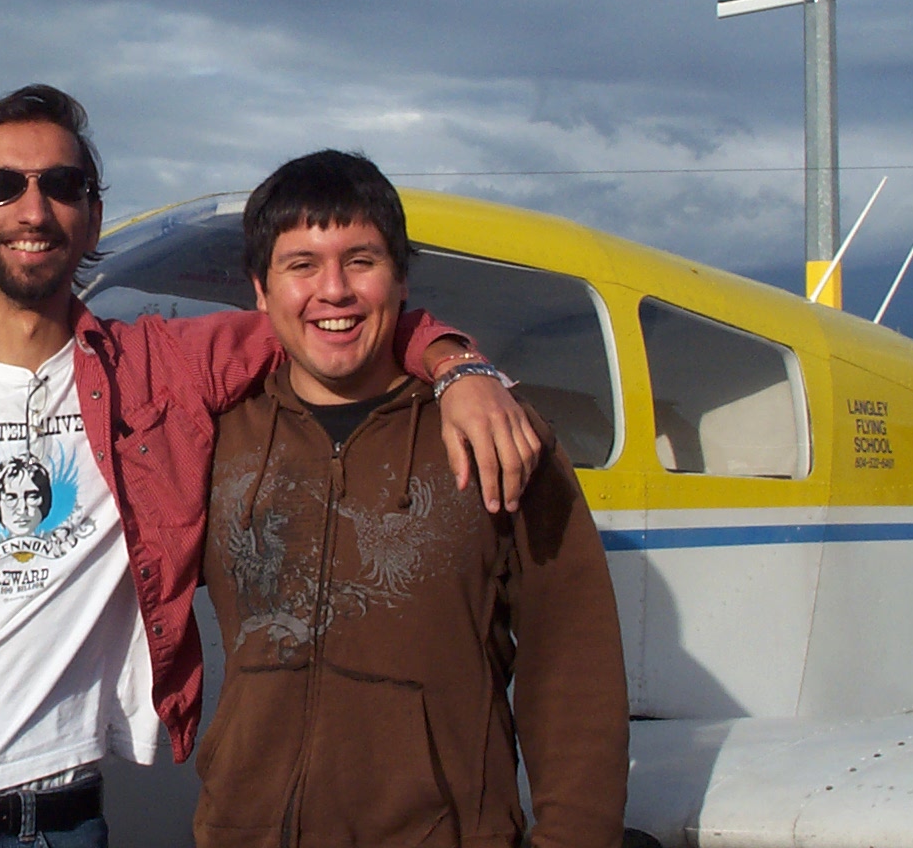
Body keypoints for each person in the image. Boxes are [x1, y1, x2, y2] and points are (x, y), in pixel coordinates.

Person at [0, 85, 540, 848]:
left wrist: (455, 364)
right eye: (1, 186)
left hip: (65, 820)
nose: (34, 207)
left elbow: (327, 311)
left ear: (93, 219)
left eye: (63, 186)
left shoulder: (158, 370)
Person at [193, 150, 628, 848]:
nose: (332, 290)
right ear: (260, 289)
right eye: (301, 265)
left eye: (359, 260)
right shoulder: (215, 440)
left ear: (400, 279)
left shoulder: (500, 433)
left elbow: (572, 663)